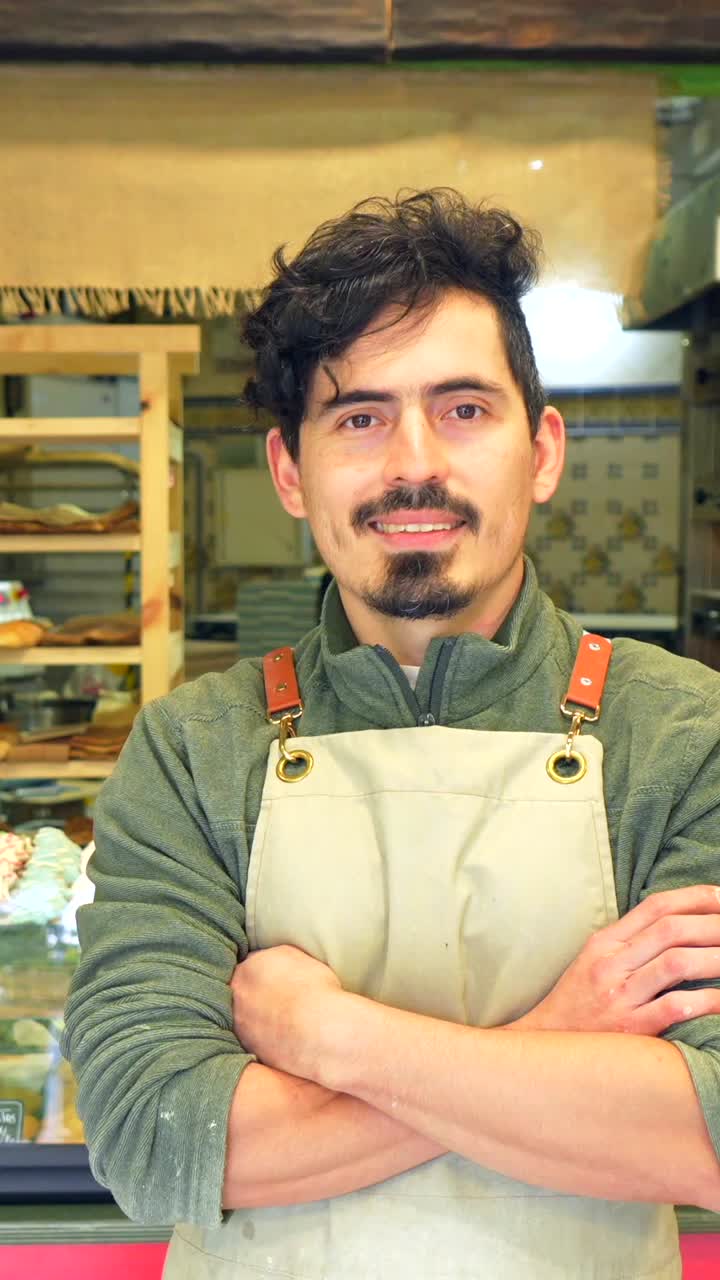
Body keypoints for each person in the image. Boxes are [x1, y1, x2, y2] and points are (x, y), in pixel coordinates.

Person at [63, 189, 720, 1280]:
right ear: (290, 469)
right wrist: (559, 1038)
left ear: (543, 450)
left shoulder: (681, 734)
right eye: (359, 416)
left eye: (463, 408)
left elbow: (706, 1133)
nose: (414, 462)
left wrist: (330, 1037)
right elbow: (154, 1133)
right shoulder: (195, 750)